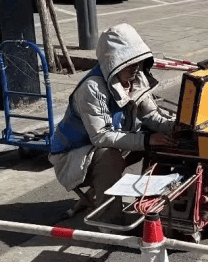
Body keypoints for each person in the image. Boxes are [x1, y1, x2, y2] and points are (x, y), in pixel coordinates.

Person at [49, 23, 177, 217]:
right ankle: (109, 221)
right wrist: (146, 140)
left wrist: (175, 126)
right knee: (109, 157)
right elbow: (101, 137)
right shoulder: (92, 88)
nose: (135, 67)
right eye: (128, 62)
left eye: (137, 61)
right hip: (72, 156)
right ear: (113, 62)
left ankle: (153, 200)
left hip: (109, 142)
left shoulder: (136, 77)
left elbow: (151, 115)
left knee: (161, 138)